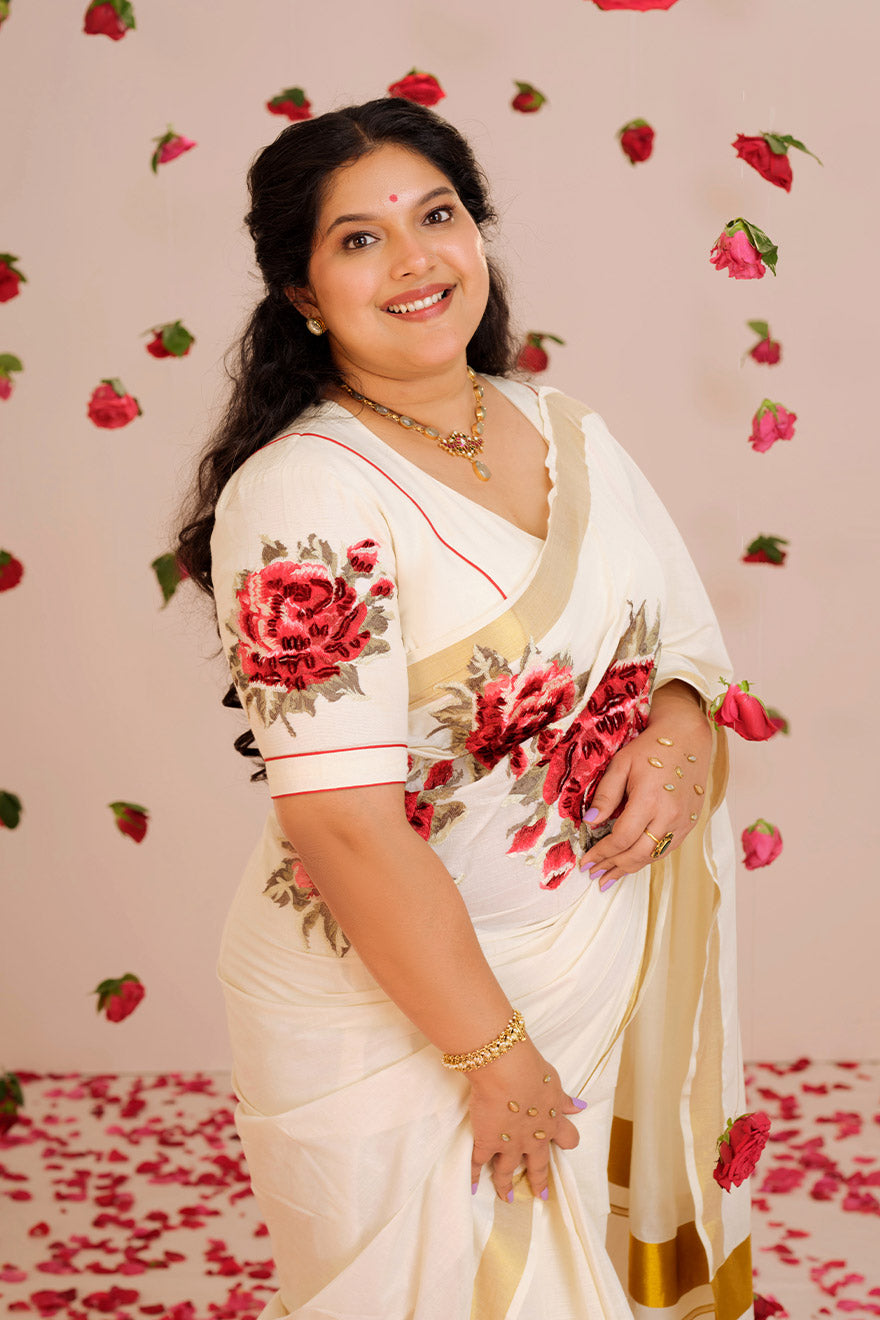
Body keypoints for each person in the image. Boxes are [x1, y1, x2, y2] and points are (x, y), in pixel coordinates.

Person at [176, 97, 752, 1320]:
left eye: (435, 215)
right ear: (302, 293)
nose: (414, 258)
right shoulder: (303, 493)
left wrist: (679, 727)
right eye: (359, 238)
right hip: (391, 1012)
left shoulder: (564, 429)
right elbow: (339, 822)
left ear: (476, 232)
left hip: (584, 961)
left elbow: (682, 647)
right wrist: (493, 1057)